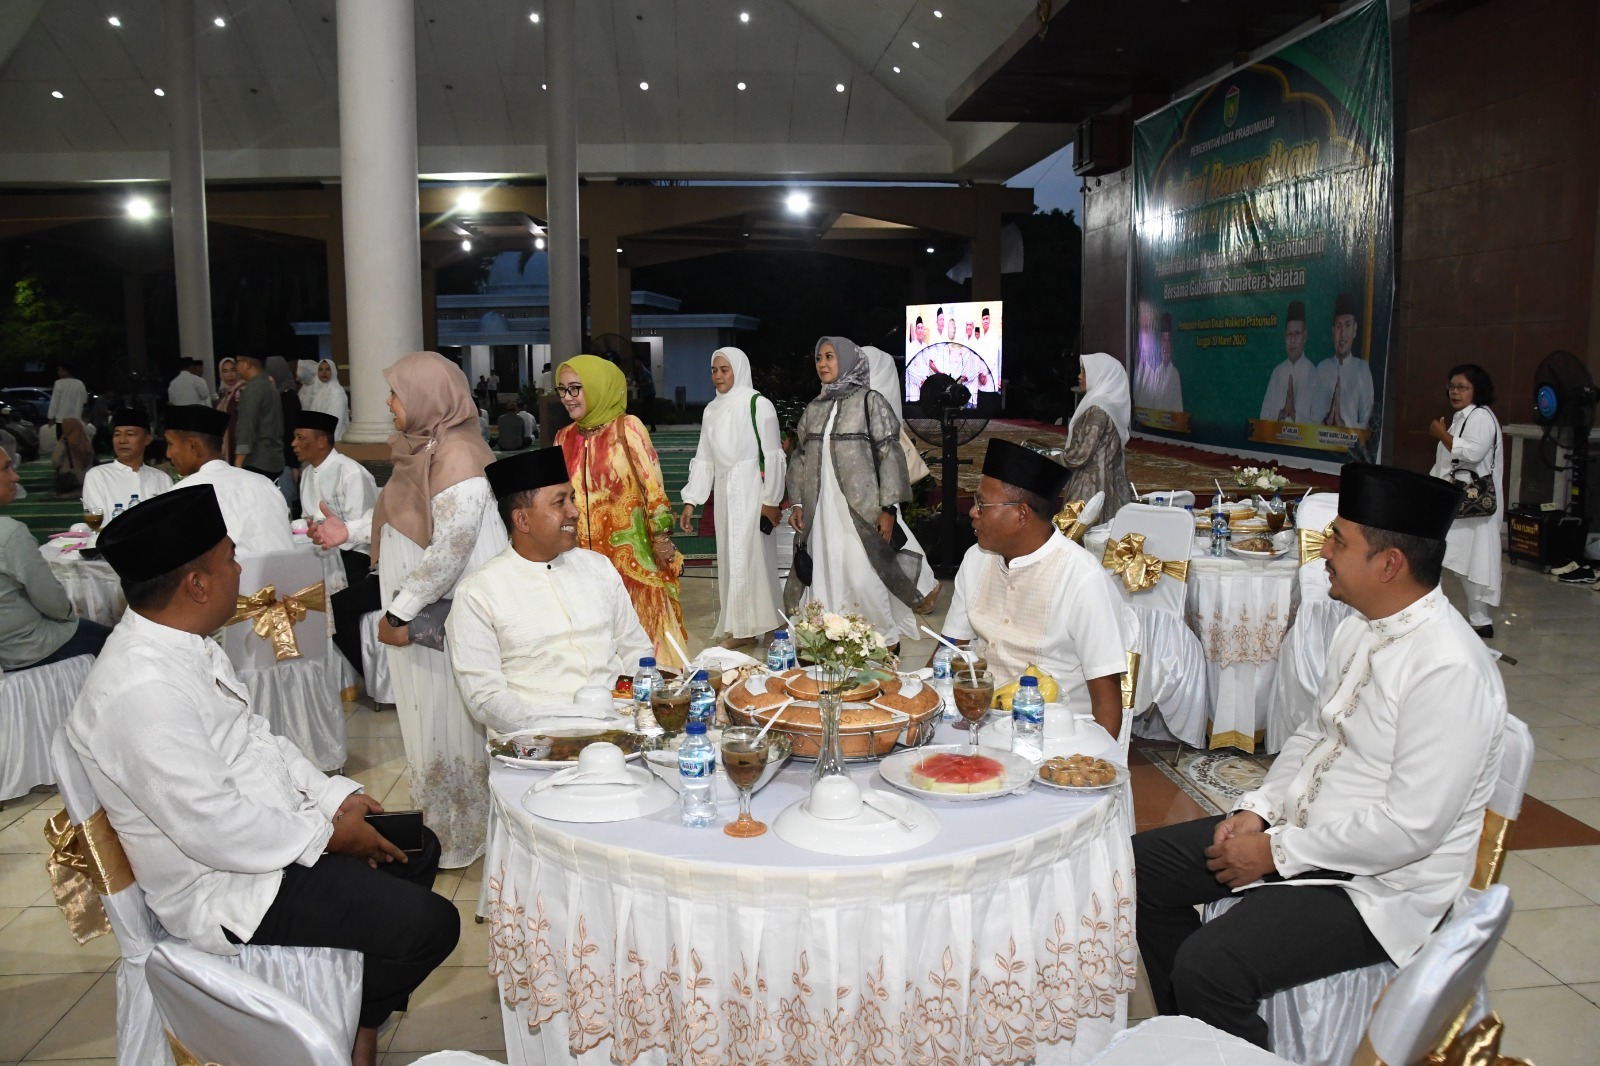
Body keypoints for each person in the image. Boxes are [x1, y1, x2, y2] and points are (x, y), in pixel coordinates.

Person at [68, 485, 458, 1066]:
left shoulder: (185, 644)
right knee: (432, 925)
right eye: (230, 558)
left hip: (269, 837)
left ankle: (357, 1013)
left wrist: (333, 798)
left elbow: (257, 738)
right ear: (196, 584)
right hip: (227, 886)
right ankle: (359, 1020)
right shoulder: (139, 690)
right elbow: (213, 828)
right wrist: (329, 837)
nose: (240, 570)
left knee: (417, 847)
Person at [1132, 463, 1504, 1049]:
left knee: (1210, 966)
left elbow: (1410, 828)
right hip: (1306, 832)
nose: (1323, 550)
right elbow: (1311, 737)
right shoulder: (1360, 626)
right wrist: (1256, 811)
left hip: (1381, 885)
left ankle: (1219, 1035)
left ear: (1389, 564)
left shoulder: (1449, 668)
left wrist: (1274, 854)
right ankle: (1197, 1039)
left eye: (1339, 541)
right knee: (1137, 870)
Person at [310, 351, 508, 869]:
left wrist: (399, 613)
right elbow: (404, 517)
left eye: (397, 393)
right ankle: (443, 824)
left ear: (427, 397)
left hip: (442, 616)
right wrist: (349, 532)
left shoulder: (458, 456)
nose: (388, 402)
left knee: (451, 716)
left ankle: (461, 833)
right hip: (423, 609)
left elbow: (450, 549)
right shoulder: (420, 448)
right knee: (430, 717)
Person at [450, 448, 654, 728]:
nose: (574, 512)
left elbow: (636, 650)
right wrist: (559, 728)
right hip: (539, 739)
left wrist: (635, 710)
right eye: (560, 503)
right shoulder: (478, 593)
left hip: (620, 724)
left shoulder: (598, 567)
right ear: (522, 520)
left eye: (572, 498)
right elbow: (485, 698)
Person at [939, 439, 1128, 737]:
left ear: (1022, 514)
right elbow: (950, 648)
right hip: (977, 721)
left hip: (1053, 735)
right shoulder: (976, 558)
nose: (973, 512)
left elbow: (1108, 703)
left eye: (982, 504)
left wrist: (1096, 761)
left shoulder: (1080, 577)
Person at [553, 355, 690, 671]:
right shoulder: (563, 437)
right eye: (562, 389)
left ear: (596, 387)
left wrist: (661, 537)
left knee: (649, 650)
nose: (567, 397)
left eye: (575, 388)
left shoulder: (626, 428)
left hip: (631, 560)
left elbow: (653, 488)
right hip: (580, 561)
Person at [784, 336, 920, 649]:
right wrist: (798, 503)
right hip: (821, 510)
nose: (822, 364)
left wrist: (889, 509)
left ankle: (883, 640)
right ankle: (830, 637)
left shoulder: (870, 401)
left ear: (847, 360)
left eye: (830, 357)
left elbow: (889, 454)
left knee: (863, 575)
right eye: (819, 358)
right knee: (826, 570)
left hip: (861, 509)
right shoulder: (815, 408)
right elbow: (800, 458)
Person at [678, 347, 787, 648]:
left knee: (756, 559)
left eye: (724, 369)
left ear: (738, 369)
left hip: (752, 490)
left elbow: (773, 454)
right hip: (726, 492)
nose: (718, 376)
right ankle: (743, 627)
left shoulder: (758, 404)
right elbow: (705, 459)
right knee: (732, 558)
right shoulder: (711, 410)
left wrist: (771, 500)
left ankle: (766, 624)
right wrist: (691, 500)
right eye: (714, 370)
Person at [0, 446, 112, 671]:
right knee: (114, 643)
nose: (16, 476)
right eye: (6, 468)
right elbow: (52, 601)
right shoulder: (10, 533)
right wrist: (69, 614)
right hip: (26, 647)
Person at [293, 410, 380, 675]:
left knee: (335, 608)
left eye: (300, 438)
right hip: (322, 550)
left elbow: (365, 525)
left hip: (357, 554)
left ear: (321, 441)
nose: (294, 444)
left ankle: (367, 674)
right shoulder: (308, 473)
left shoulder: (350, 472)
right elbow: (308, 519)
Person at [862, 344, 941, 611]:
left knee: (894, 533)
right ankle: (918, 588)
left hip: (880, 481)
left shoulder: (875, 403)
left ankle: (926, 586)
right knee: (890, 534)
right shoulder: (868, 399)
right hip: (870, 480)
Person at [1428, 364, 1503, 638]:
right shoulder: (1463, 416)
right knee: (1458, 559)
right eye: (1452, 386)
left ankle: (1475, 619)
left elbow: (1472, 453)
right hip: (1457, 502)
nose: (1455, 392)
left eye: (1462, 387)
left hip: (1473, 505)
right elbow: (1446, 462)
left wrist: (1441, 434)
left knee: (1468, 560)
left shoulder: (1481, 416)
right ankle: (1475, 619)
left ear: (1477, 390)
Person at [163, 404, 294, 553]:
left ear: (192, 445)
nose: (168, 453)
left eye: (170, 444)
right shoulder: (264, 483)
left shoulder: (184, 494)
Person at [1062, 352, 1135, 522]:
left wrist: (1054, 458)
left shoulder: (1098, 410)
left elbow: (1081, 455)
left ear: (1101, 375)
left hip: (1091, 488)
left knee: (1082, 532)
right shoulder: (1109, 405)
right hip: (1112, 484)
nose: (1079, 376)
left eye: (1085, 372)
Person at [80, 407, 172, 515]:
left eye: (130, 434)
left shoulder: (162, 479)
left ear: (147, 439)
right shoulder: (98, 476)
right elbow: (97, 521)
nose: (122, 440)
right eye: (117, 434)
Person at [1315, 292, 1374, 428]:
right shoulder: (1321, 369)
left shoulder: (1362, 369)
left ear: (1354, 330)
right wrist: (1326, 422)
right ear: (1333, 331)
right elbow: (1312, 418)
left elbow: (1367, 424)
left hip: (1350, 441)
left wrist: (1344, 426)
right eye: (1338, 326)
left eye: (1347, 325)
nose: (1342, 334)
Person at [1259, 300, 1316, 423]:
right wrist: (1281, 415)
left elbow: (1319, 427)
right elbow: (1263, 420)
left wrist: (1295, 415)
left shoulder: (1314, 374)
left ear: (1305, 336)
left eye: (1297, 333)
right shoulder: (1277, 373)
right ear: (1285, 337)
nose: (1292, 340)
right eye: (1289, 334)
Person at [232, 355, 286, 483]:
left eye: (238, 362)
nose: (236, 366)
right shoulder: (269, 385)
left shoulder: (253, 388)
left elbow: (246, 427)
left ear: (247, 364)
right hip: (274, 459)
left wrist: (238, 464)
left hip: (257, 461)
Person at [264, 356, 303, 511]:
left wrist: (294, 465)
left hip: (286, 461)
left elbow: (292, 432)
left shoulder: (289, 397)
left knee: (285, 504)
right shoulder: (273, 396)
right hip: (275, 460)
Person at [1135, 312, 1184, 412]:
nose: (1166, 345)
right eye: (1163, 339)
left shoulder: (1175, 375)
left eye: (1168, 340)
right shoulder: (1154, 372)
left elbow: (1179, 408)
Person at [301, 358, 350, 441]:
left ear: (333, 371)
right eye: (320, 369)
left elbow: (337, 419)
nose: (324, 373)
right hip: (318, 438)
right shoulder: (314, 390)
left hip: (333, 438)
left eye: (328, 369)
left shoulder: (336, 391)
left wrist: (329, 441)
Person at [51, 415, 94, 494]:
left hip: (69, 479)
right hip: (86, 479)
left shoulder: (63, 442)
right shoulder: (86, 440)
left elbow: (56, 461)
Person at [215, 357, 246, 461]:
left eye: (233, 370)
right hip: (225, 444)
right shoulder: (224, 394)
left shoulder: (243, 391)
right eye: (225, 371)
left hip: (239, 443)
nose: (230, 375)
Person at [630, 354, 658, 432]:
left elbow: (649, 381)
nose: (636, 364)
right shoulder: (639, 371)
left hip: (649, 393)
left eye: (637, 362)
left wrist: (639, 385)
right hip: (646, 393)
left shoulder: (644, 371)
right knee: (646, 410)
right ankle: (646, 427)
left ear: (641, 362)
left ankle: (648, 427)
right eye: (635, 362)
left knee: (646, 410)